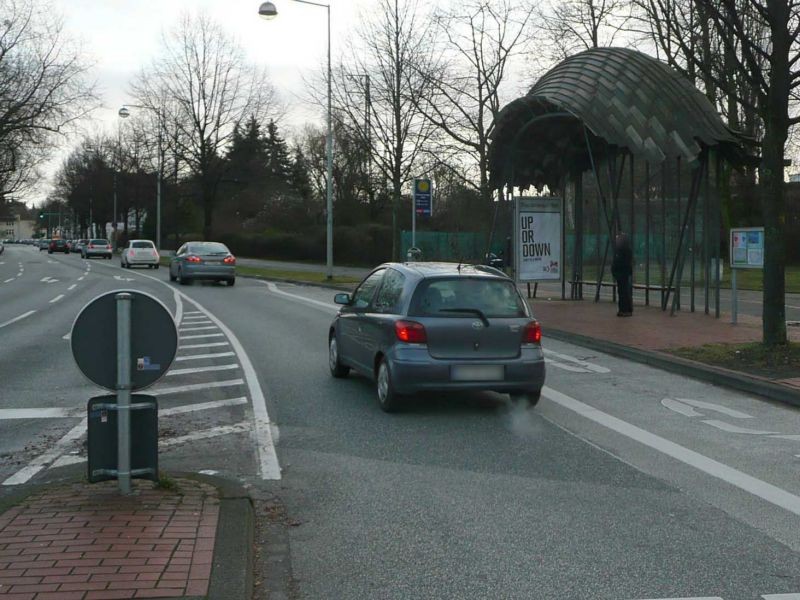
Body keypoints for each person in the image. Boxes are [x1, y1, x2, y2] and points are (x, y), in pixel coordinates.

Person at [611, 232, 633, 317]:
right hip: (621, 274)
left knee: (624, 292)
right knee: (622, 292)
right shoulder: (619, 251)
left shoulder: (625, 251)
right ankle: (623, 309)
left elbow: (623, 263)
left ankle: (626, 310)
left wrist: (617, 271)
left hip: (623, 274)